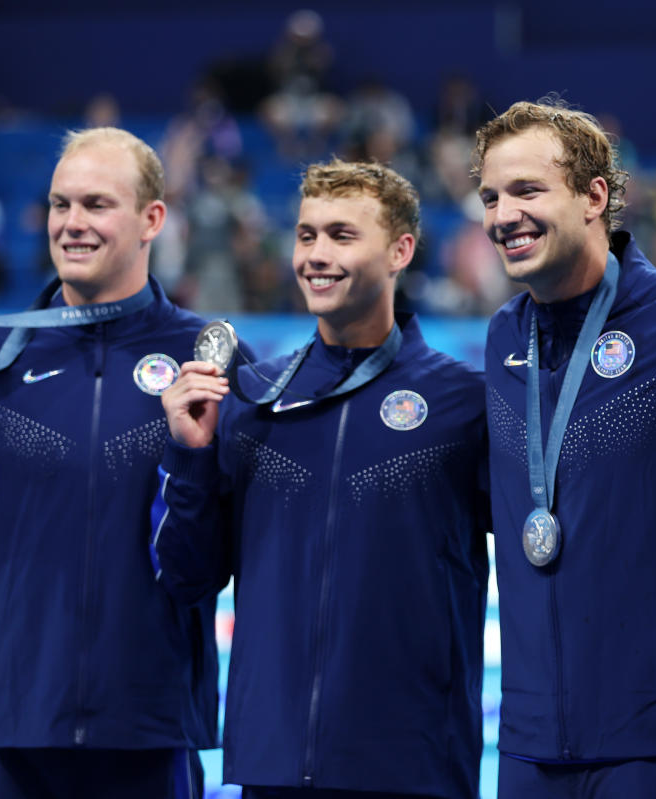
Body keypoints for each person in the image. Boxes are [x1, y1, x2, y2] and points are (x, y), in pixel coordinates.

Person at [0, 127, 221, 798]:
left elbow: (219, 558)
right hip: (13, 730)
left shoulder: (203, 363)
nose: (72, 224)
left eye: (95, 204)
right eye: (61, 205)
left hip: (149, 729)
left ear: (152, 219)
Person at [153, 159, 489, 799]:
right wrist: (191, 455)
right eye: (307, 236)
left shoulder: (461, 402)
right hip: (272, 762)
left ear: (401, 250)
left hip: (415, 764)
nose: (316, 255)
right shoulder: (252, 398)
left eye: (341, 235)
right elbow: (186, 576)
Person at [473, 100, 656, 797]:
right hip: (530, 746)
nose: (504, 214)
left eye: (528, 190)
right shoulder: (504, 337)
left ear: (595, 196)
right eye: (491, 197)